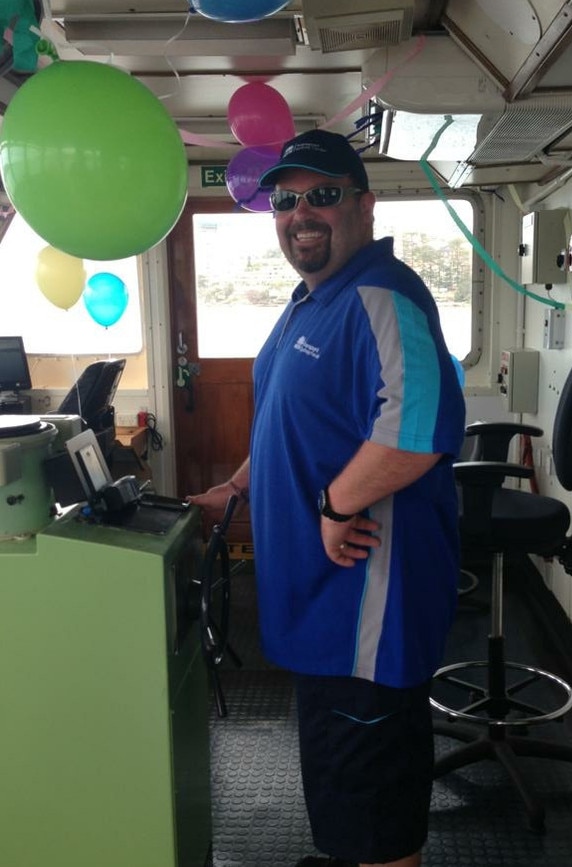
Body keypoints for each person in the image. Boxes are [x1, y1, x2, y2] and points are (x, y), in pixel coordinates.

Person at [187, 129, 466, 867]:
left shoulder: (382, 293)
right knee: (345, 790)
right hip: (321, 612)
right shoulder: (311, 302)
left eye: (322, 195)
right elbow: (292, 422)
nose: (300, 213)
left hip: (366, 618)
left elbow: (419, 430)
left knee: (374, 810)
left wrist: (338, 505)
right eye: (286, 199)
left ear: (364, 205)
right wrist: (237, 486)